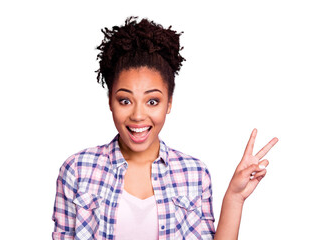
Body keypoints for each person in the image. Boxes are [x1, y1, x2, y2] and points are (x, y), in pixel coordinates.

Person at [52, 16, 278, 240]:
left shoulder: (194, 174)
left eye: (152, 101)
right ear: (110, 101)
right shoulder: (77, 170)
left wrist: (234, 198)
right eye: (125, 100)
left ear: (168, 103)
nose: (138, 115)